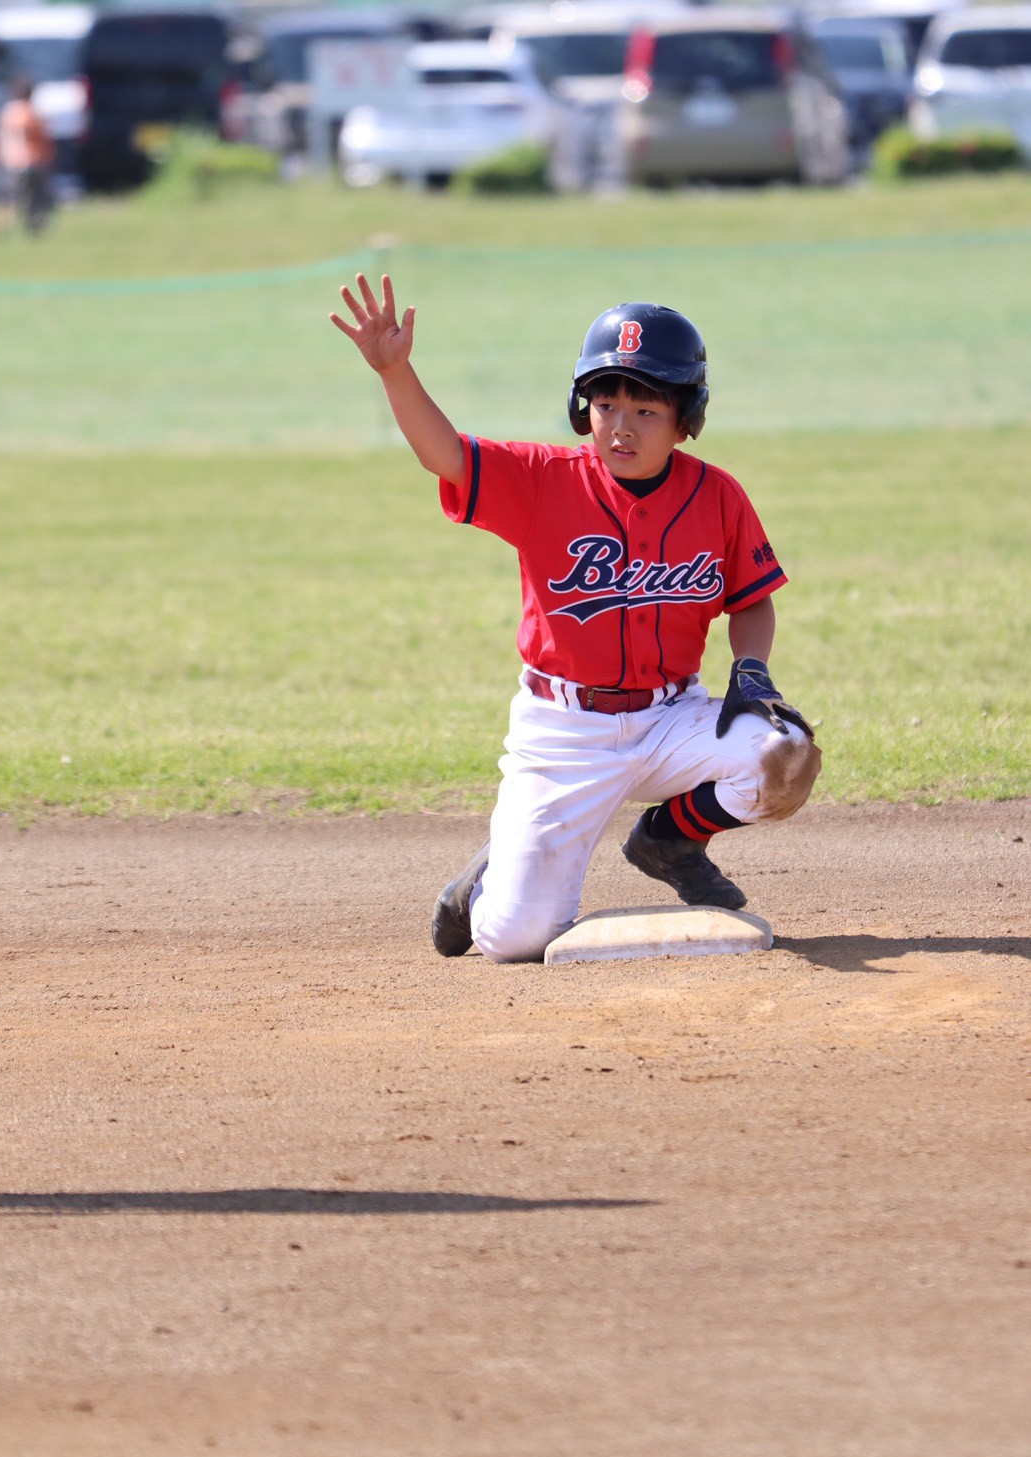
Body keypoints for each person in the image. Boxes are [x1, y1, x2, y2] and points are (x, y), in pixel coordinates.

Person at [331, 273, 822, 963]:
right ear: (579, 406)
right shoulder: (542, 481)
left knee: (785, 754)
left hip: (670, 718)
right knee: (513, 940)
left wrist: (751, 668)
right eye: (605, 402)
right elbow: (445, 454)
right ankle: (488, 878)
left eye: (645, 408)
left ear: (686, 418)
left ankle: (669, 839)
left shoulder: (717, 496)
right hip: (566, 733)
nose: (621, 425)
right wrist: (395, 372)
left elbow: (751, 597)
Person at [0, 76, 55, 236]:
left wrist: (2, 157)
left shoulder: (7, 113)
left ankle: (3, 228)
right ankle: (34, 227)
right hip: (33, 161)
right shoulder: (33, 113)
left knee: (9, 198)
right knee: (35, 198)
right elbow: (45, 138)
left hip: (12, 162)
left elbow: (0, 139)